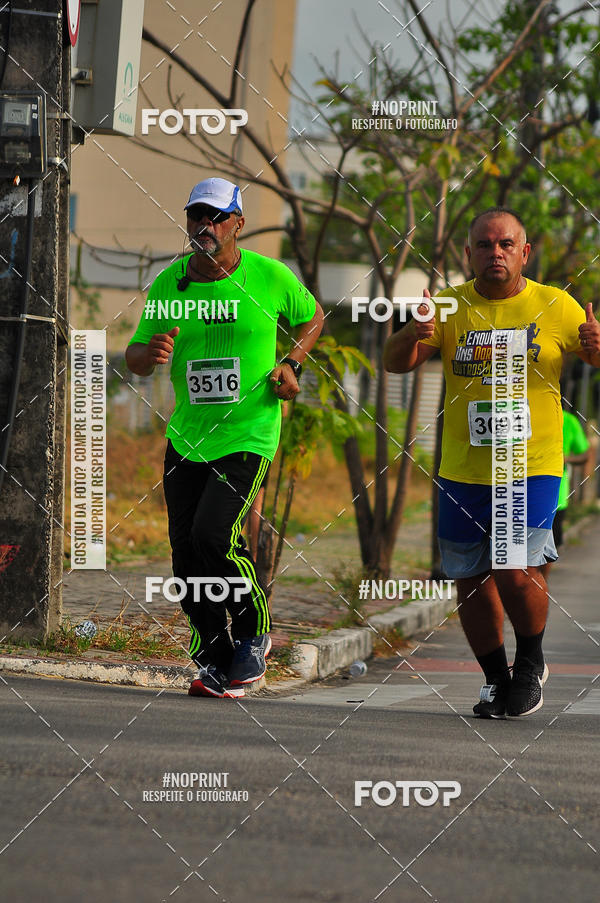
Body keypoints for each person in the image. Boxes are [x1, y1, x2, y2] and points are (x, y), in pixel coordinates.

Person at [383, 207, 600, 718]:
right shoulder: (449, 306)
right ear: (468, 254)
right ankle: (497, 679)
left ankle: (530, 665)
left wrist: (597, 346)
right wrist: (412, 334)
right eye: (484, 245)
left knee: (513, 565)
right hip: (462, 469)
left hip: (531, 464)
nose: (494, 253)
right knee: (469, 578)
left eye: (506, 245)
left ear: (524, 252)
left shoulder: (556, 305)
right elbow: (395, 362)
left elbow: (593, 356)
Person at [126, 178, 323, 698]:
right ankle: (213, 652)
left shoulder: (269, 275)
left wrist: (291, 362)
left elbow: (312, 318)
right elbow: (135, 353)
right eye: (196, 216)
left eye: (215, 217)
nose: (204, 227)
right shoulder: (170, 285)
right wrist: (150, 355)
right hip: (188, 437)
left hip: (248, 433)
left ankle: (255, 633)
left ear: (237, 222)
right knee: (185, 553)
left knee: (215, 535)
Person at [541, 402, 590, 578]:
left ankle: (541, 585)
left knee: (548, 547)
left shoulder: (568, 420)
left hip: (557, 496)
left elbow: (584, 453)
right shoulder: (524, 415)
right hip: (519, 492)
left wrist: (566, 458)